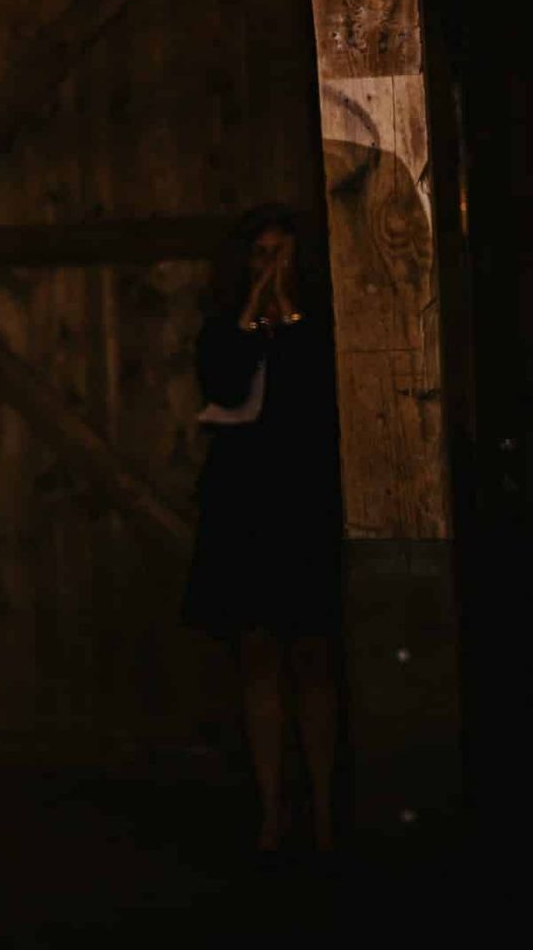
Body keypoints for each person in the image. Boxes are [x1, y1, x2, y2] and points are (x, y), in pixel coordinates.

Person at [183, 205, 343, 854]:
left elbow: (316, 398)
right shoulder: (223, 329)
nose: (272, 266)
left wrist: (289, 317)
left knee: (313, 655)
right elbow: (220, 383)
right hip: (243, 507)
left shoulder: (323, 329)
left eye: (283, 254)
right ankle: (272, 810)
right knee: (256, 655)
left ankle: (329, 812)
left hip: (304, 503)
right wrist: (251, 319)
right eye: (260, 254)